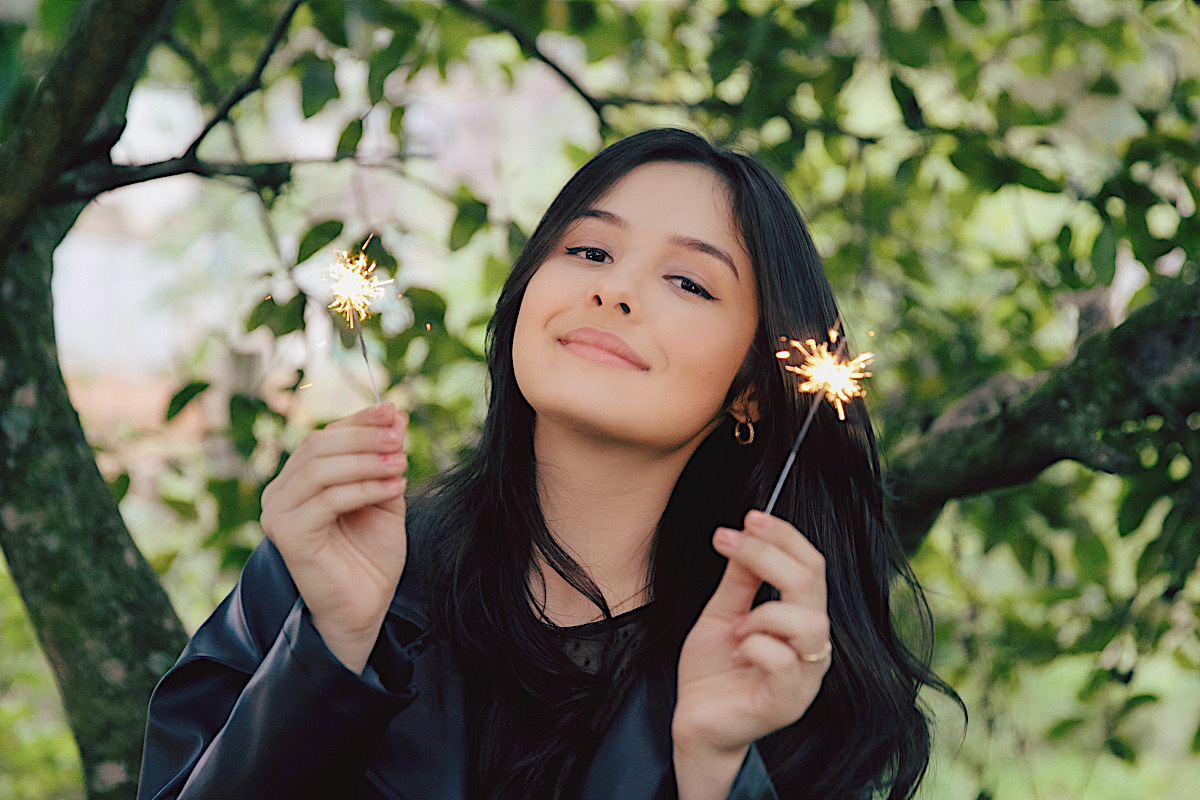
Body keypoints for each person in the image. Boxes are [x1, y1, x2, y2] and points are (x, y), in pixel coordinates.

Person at [137, 128, 957, 800]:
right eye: (591, 252)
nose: (616, 290)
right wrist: (332, 650)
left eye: (687, 281)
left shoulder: (772, 662)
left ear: (751, 390)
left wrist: (715, 768)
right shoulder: (334, 566)